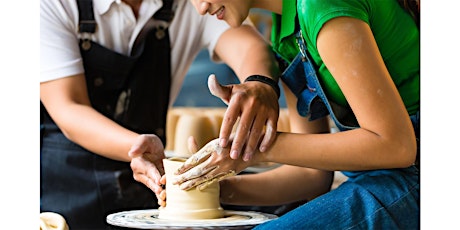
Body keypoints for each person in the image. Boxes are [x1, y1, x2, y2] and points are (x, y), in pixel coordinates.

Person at [163, 0, 420, 229]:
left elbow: (396, 146)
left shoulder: (322, 5)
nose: (200, 7)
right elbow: (311, 175)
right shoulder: (285, 31)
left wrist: (252, 149)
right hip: (380, 175)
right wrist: (211, 188)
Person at [40, 0, 282, 228]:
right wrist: (135, 145)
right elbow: (69, 107)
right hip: (67, 182)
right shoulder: (50, 5)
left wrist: (259, 84)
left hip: (153, 180)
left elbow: (250, 46)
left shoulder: (193, 3)